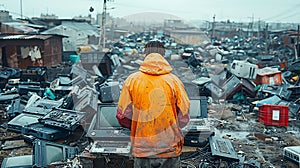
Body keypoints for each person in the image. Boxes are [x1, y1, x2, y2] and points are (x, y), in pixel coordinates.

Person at [116, 41, 190, 168]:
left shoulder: (132, 80)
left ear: (145, 54)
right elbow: (184, 117)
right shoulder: (174, 81)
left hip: (142, 148)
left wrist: (137, 127)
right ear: (164, 54)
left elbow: (123, 116)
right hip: (169, 148)